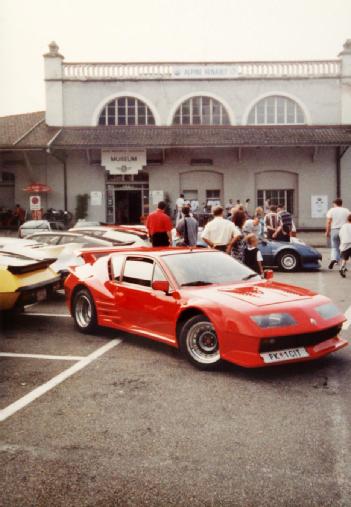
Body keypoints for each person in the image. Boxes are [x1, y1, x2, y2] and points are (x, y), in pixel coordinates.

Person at [326, 198, 350, 269]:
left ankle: (334, 259)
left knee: (335, 247)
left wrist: (327, 231)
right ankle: (342, 264)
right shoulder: (346, 210)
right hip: (344, 230)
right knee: (344, 247)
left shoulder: (331, 210)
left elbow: (329, 222)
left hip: (334, 230)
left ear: (334, 203)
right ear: (341, 203)